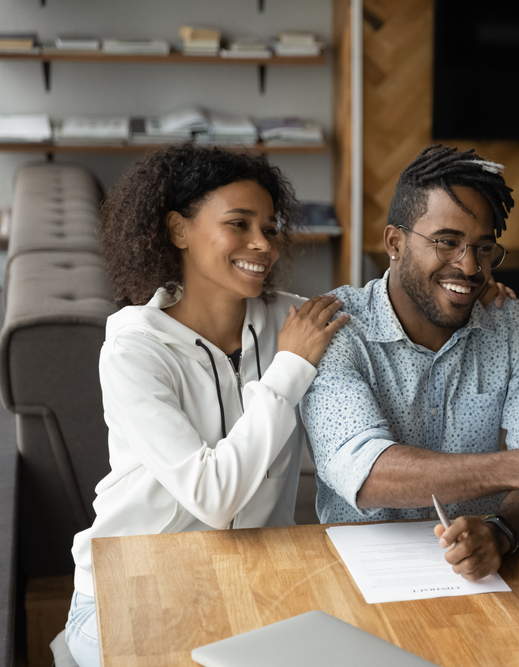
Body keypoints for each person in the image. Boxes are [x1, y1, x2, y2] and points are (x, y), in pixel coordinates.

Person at [64, 145, 349, 667]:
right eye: (238, 224)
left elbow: (386, 311)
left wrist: (478, 297)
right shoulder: (133, 349)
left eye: (269, 225)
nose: (262, 244)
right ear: (178, 231)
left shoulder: (290, 323)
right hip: (128, 595)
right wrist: (288, 370)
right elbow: (212, 496)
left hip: (249, 587)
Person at [301, 145, 519, 581]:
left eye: (484, 248)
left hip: (488, 575)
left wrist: (501, 532)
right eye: (447, 242)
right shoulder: (334, 330)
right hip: (362, 573)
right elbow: (367, 473)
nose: (471, 266)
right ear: (395, 242)